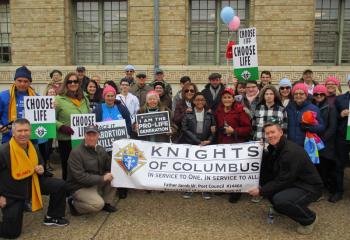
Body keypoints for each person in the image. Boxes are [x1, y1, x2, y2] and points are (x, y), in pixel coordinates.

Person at [248, 122, 323, 235]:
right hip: (294, 182)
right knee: (268, 185)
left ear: (281, 132)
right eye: (267, 133)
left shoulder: (290, 152)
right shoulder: (275, 147)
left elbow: (284, 180)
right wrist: (260, 150)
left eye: (273, 132)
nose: (270, 135)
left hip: (309, 187)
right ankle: (281, 208)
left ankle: (309, 219)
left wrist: (261, 191)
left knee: (280, 199)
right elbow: (268, 168)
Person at [0, 119, 69, 239]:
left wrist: (41, 168)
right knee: (12, 233)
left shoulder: (32, 146)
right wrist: (0, 196)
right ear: (13, 132)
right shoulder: (3, 151)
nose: (23, 134)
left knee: (60, 185)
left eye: (26, 130)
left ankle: (53, 216)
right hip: (12, 191)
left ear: (30, 131)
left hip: (33, 182)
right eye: (19, 131)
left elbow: (41, 162)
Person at [66, 125, 117, 216]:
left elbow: (109, 166)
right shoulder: (76, 152)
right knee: (97, 205)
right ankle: (74, 204)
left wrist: (118, 159)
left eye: (94, 135)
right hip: (79, 186)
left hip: (94, 182)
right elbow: (80, 177)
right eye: (89, 135)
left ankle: (106, 203)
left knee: (115, 176)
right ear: (84, 136)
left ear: (98, 136)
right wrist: (102, 178)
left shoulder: (100, 149)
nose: (91, 138)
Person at [215, 87, 252, 203]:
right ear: (221, 99)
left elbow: (248, 128)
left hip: (237, 144)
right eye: (224, 97)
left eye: (229, 97)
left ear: (233, 99)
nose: (227, 99)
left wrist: (234, 131)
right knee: (225, 167)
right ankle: (224, 187)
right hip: (223, 143)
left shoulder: (240, 110)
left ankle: (236, 190)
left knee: (235, 169)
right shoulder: (218, 111)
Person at [55, 72, 91, 180]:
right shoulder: (58, 99)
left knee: (82, 164)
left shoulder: (84, 97)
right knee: (68, 165)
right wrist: (61, 126)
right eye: (70, 81)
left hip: (82, 138)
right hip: (66, 139)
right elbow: (50, 118)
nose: (73, 83)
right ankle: (67, 191)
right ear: (66, 83)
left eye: (75, 81)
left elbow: (89, 113)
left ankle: (80, 188)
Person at [181, 92, 216, 200]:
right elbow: (184, 128)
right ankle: (190, 188)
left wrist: (209, 140)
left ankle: (204, 189)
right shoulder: (188, 114)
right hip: (192, 144)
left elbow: (214, 130)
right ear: (194, 101)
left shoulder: (210, 114)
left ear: (205, 102)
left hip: (206, 144)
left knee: (204, 168)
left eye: (202, 100)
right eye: (197, 100)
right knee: (192, 167)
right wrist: (197, 141)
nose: (200, 102)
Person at [0, 66, 38, 143]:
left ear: (30, 82)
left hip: (31, 139)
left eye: (26, 81)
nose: (22, 84)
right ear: (15, 81)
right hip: (9, 138)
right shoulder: (3, 96)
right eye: (19, 81)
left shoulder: (36, 97)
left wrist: (52, 107)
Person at [312, 85, 337, 197]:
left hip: (325, 143)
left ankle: (323, 189)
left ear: (325, 95)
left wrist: (320, 141)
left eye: (321, 94)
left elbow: (332, 128)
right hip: (312, 141)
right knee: (315, 167)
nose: (319, 96)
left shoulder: (330, 108)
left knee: (324, 167)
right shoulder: (311, 106)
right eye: (316, 94)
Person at [332, 75, 350, 203]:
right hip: (343, 136)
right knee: (339, 165)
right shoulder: (340, 99)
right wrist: (340, 114)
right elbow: (333, 118)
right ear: (348, 84)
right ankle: (338, 191)